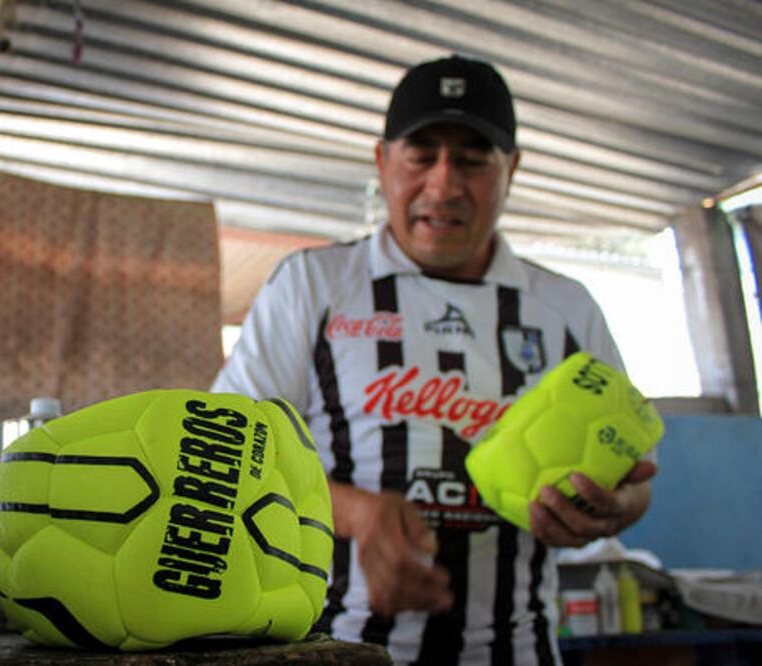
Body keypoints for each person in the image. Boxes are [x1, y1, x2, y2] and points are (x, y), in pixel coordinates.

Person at [212, 54, 657, 665]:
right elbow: (230, 451)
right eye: (422, 155)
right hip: (337, 647)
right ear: (382, 161)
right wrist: (360, 514)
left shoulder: (565, 308)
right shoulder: (313, 285)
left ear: (512, 171)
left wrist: (611, 512)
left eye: (473, 159)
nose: (444, 185)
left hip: (518, 651)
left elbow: (636, 484)